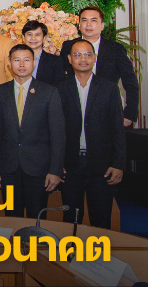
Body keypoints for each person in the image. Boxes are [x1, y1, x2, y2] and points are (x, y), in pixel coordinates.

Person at [58, 40, 125, 229]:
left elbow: (117, 130)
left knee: (101, 217)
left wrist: (118, 164)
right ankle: (71, 248)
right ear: (69, 59)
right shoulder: (59, 89)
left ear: (95, 58)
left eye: (88, 54)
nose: (83, 59)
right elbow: (54, 130)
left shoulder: (109, 88)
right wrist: (56, 163)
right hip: (70, 165)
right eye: (77, 55)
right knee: (71, 218)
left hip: (102, 165)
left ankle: (101, 249)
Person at [0, 44, 65, 219]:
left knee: (37, 217)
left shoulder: (49, 92)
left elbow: (58, 135)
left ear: (34, 63)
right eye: (17, 60)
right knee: (12, 217)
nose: (22, 64)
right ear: (9, 63)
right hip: (8, 167)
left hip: (39, 168)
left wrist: (55, 170)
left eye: (26, 60)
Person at [60, 6, 140, 126]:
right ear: (79, 25)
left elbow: (130, 81)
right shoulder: (68, 46)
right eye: (84, 20)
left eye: (93, 20)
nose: (88, 24)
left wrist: (130, 112)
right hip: (74, 110)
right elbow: (60, 77)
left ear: (102, 25)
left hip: (106, 110)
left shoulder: (115, 49)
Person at [22, 20, 65, 86]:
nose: (33, 38)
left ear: (44, 38)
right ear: (23, 38)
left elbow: (60, 87)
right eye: (29, 34)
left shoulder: (55, 61)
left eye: (37, 35)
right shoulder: (17, 60)